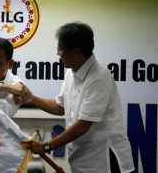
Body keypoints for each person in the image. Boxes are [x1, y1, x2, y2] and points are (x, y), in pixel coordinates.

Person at [21, 22, 135, 173]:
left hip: (104, 161)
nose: (58, 54)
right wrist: (32, 99)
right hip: (83, 159)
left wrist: (47, 146)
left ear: (75, 52)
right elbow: (61, 107)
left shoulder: (98, 77)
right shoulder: (72, 72)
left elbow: (83, 125)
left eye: (60, 49)